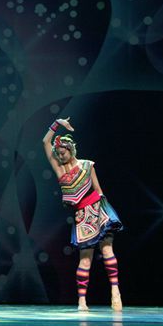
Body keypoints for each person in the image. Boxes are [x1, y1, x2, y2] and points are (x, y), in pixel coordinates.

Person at [43, 117, 123, 312]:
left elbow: (98, 190)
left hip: (98, 209)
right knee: (85, 259)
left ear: (71, 150)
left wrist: (104, 213)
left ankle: (115, 291)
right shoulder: (59, 170)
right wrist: (57, 123)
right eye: (58, 154)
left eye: (62, 153)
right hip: (81, 216)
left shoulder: (87, 165)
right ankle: (81, 301)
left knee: (107, 250)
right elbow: (45, 142)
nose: (60, 156)